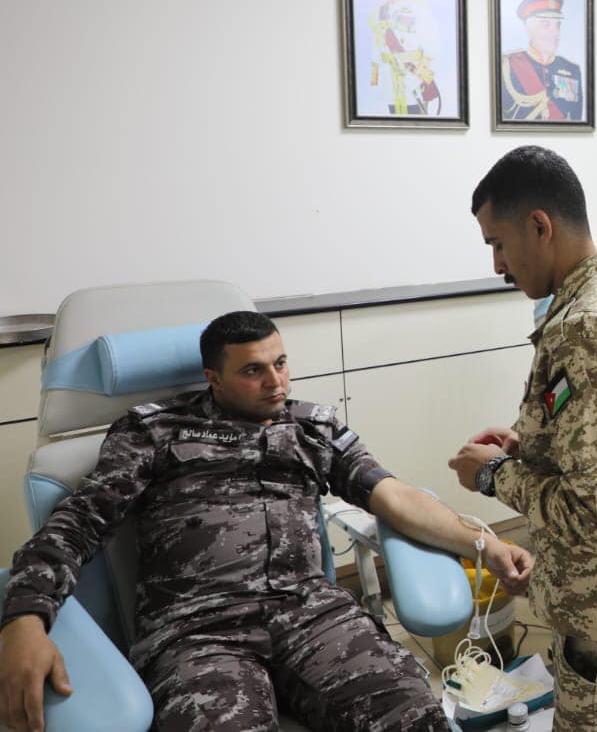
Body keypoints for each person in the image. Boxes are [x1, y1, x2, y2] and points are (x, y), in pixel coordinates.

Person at [0, 311, 533, 732]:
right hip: (197, 633)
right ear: (213, 378)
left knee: (413, 714)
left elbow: (392, 495)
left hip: (313, 616)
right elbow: (80, 521)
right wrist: (24, 619)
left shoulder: (312, 426)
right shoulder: (155, 431)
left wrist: (482, 543)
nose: (275, 382)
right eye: (253, 370)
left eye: (280, 363)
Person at [449, 146, 597, 731]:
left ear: (540, 226)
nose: (498, 265)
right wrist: (530, 441)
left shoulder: (587, 328)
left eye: (498, 244)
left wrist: (491, 475)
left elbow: (593, 516)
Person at [368, 0, 443, 116]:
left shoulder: (419, 10)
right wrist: (375, 83)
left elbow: (431, 49)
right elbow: (375, 52)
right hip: (388, 85)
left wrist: (420, 75)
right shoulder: (378, 14)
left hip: (412, 81)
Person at [499, 0, 583, 121]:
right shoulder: (507, 65)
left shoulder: (572, 70)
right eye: (546, 25)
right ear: (528, 30)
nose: (555, 32)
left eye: (558, 25)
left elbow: (576, 121)